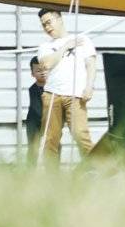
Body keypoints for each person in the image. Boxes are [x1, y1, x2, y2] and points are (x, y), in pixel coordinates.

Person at [35, 9, 96, 164]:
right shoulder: (44, 46)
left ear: (60, 19)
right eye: (43, 25)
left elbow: (91, 64)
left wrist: (89, 86)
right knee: (50, 139)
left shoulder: (83, 40)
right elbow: (46, 64)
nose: (47, 27)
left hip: (75, 95)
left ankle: (105, 173)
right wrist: (65, 46)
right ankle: (53, 181)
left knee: (81, 134)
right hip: (52, 95)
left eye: (49, 22)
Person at [24, 56, 47, 164]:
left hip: (49, 120)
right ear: (32, 73)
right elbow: (36, 107)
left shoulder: (53, 88)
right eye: (38, 70)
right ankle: (30, 171)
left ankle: (53, 171)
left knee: (53, 145)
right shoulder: (32, 89)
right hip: (34, 121)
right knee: (33, 147)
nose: (42, 73)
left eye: (44, 69)